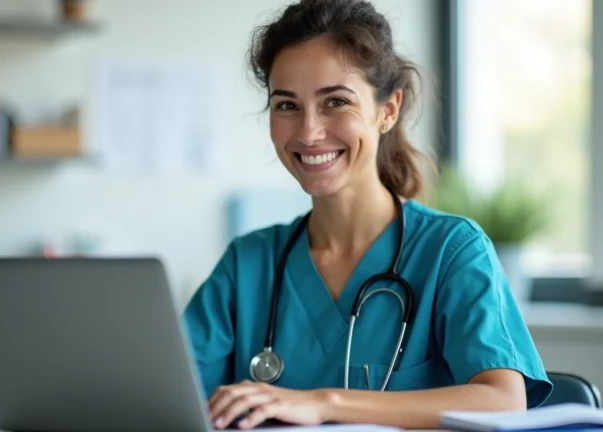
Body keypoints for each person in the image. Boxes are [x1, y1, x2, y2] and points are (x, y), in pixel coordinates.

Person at [183, 0, 553, 429]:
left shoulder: (450, 252)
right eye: (287, 105)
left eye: (335, 102)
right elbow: (165, 394)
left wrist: (324, 404)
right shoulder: (248, 264)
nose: (308, 132)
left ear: (388, 110)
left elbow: (504, 401)